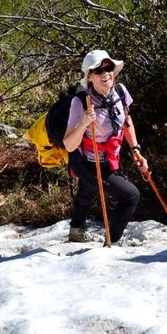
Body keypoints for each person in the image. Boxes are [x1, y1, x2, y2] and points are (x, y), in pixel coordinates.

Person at [63, 49, 148, 243]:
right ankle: (112, 240)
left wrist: (135, 149)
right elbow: (69, 144)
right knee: (130, 196)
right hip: (87, 163)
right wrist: (84, 122)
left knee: (88, 190)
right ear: (90, 76)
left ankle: (76, 230)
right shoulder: (80, 102)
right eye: (99, 70)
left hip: (110, 158)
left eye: (108, 67)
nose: (105, 74)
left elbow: (126, 120)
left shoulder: (120, 91)